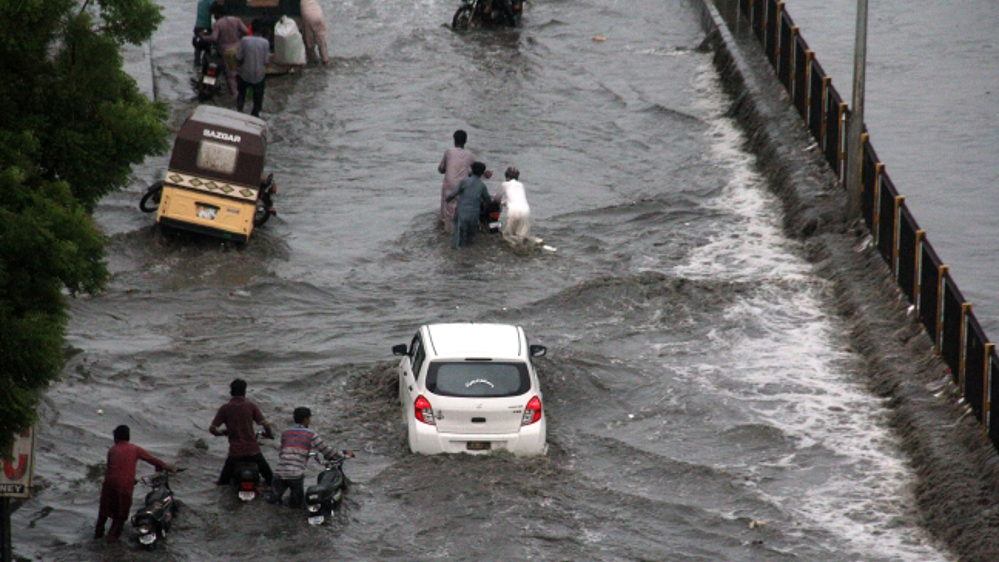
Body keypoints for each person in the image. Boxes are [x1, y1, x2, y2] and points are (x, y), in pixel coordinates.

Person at [94, 425, 179, 544]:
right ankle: (110, 545)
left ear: (116, 438)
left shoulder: (112, 450)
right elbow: (151, 459)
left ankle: (97, 539)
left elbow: (113, 470)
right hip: (124, 488)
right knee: (120, 519)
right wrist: (167, 467)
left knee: (102, 516)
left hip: (108, 486)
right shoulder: (134, 449)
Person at [269, 407, 353, 507]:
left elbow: (283, 451)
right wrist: (343, 455)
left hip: (279, 473)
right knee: (296, 506)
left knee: (273, 502)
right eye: (309, 418)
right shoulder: (311, 434)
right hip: (295, 475)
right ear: (305, 419)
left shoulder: (285, 433)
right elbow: (326, 450)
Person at [210, 378, 274, 486]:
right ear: (245, 392)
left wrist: (222, 433)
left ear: (231, 393)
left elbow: (212, 429)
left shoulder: (225, 408)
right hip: (253, 451)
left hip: (235, 454)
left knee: (222, 483)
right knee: (270, 479)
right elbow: (265, 425)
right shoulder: (251, 406)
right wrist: (269, 434)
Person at [201, 3, 248, 95]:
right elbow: (246, 31)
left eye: (214, 14)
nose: (214, 17)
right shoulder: (236, 20)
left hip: (225, 51)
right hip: (238, 49)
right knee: (240, 71)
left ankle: (235, 95)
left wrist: (204, 37)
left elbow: (214, 38)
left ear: (217, 13)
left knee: (230, 75)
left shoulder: (218, 24)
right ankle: (243, 94)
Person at [446, 161, 492, 249]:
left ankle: (459, 256)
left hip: (462, 213)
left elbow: (452, 195)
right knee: (470, 239)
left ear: (471, 170)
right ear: (482, 173)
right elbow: (488, 200)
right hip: (474, 214)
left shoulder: (464, 182)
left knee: (458, 240)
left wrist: (447, 200)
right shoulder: (482, 186)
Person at [438, 130, 476, 235]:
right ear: (466, 141)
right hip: (462, 188)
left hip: (449, 187)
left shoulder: (448, 152)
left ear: (454, 141)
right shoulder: (470, 155)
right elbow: (476, 171)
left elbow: (441, 169)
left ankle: (446, 231)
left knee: (447, 215)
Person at [492, 166, 537, 247]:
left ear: (507, 177)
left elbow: (496, 199)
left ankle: (511, 253)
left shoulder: (505, 184)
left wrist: (500, 203)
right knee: (521, 236)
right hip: (525, 210)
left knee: (508, 236)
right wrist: (505, 203)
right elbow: (517, 198)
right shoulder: (521, 185)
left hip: (513, 211)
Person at [235, 29, 270, 117]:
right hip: (259, 75)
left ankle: (239, 112)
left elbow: (238, 57)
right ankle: (255, 114)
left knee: (241, 94)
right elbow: (266, 61)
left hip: (245, 74)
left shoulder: (244, 40)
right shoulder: (265, 42)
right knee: (258, 98)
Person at [301, 0, 330, 65]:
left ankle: (313, 61)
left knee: (309, 43)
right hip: (319, 15)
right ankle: (325, 60)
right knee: (322, 41)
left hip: (308, 16)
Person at [193, 0, 216, 68]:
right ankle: (205, 62)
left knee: (198, 46)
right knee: (207, 46)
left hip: (197, 26)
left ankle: (197, 63)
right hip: (206, 26)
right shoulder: (210, 2)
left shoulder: (200, 2)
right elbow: (215, 13)